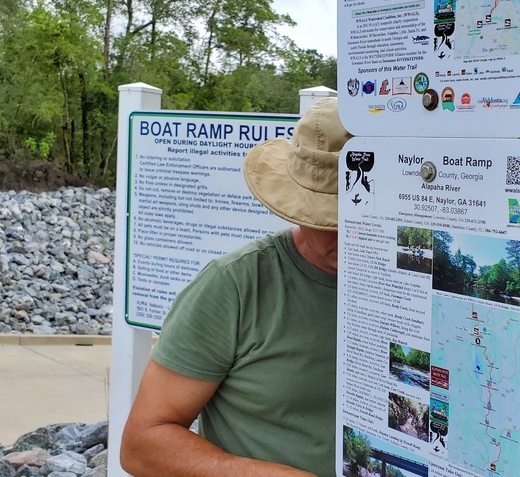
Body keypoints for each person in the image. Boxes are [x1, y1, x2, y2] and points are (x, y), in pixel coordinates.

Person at [121, 97, 351, 477]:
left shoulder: (421, 279)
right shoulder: (236, 285)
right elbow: (142, 443)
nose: (346, 234)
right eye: (328, 220)